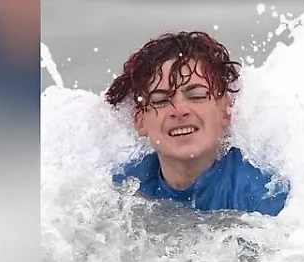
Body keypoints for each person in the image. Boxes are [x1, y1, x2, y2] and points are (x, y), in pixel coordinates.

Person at [104, 31, 289, 216]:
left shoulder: (263, 196)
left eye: (196, 96)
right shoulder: (122, 192)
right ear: (140, 120)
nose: (179, 110)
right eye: (160, 100)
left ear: (226, 112)